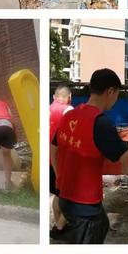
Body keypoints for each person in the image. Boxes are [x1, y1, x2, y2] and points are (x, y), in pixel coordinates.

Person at [50, 69, 128, 244]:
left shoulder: (69, 116)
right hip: (86, 206)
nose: (116, 100)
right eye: (117, 95)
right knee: (95, 231)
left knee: (101, 224)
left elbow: (53, 147)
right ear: (110, 91)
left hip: (65, 198)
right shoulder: (100, 122)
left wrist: (59, 176)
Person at [49, 85, 74, 231]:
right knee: (64, 194)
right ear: (69, 97)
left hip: (47, 159)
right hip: (60, 160)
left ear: (54, 97)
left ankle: (57, 224)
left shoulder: (47, 109)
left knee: (57, 194)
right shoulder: (68, 110)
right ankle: (59, 226)